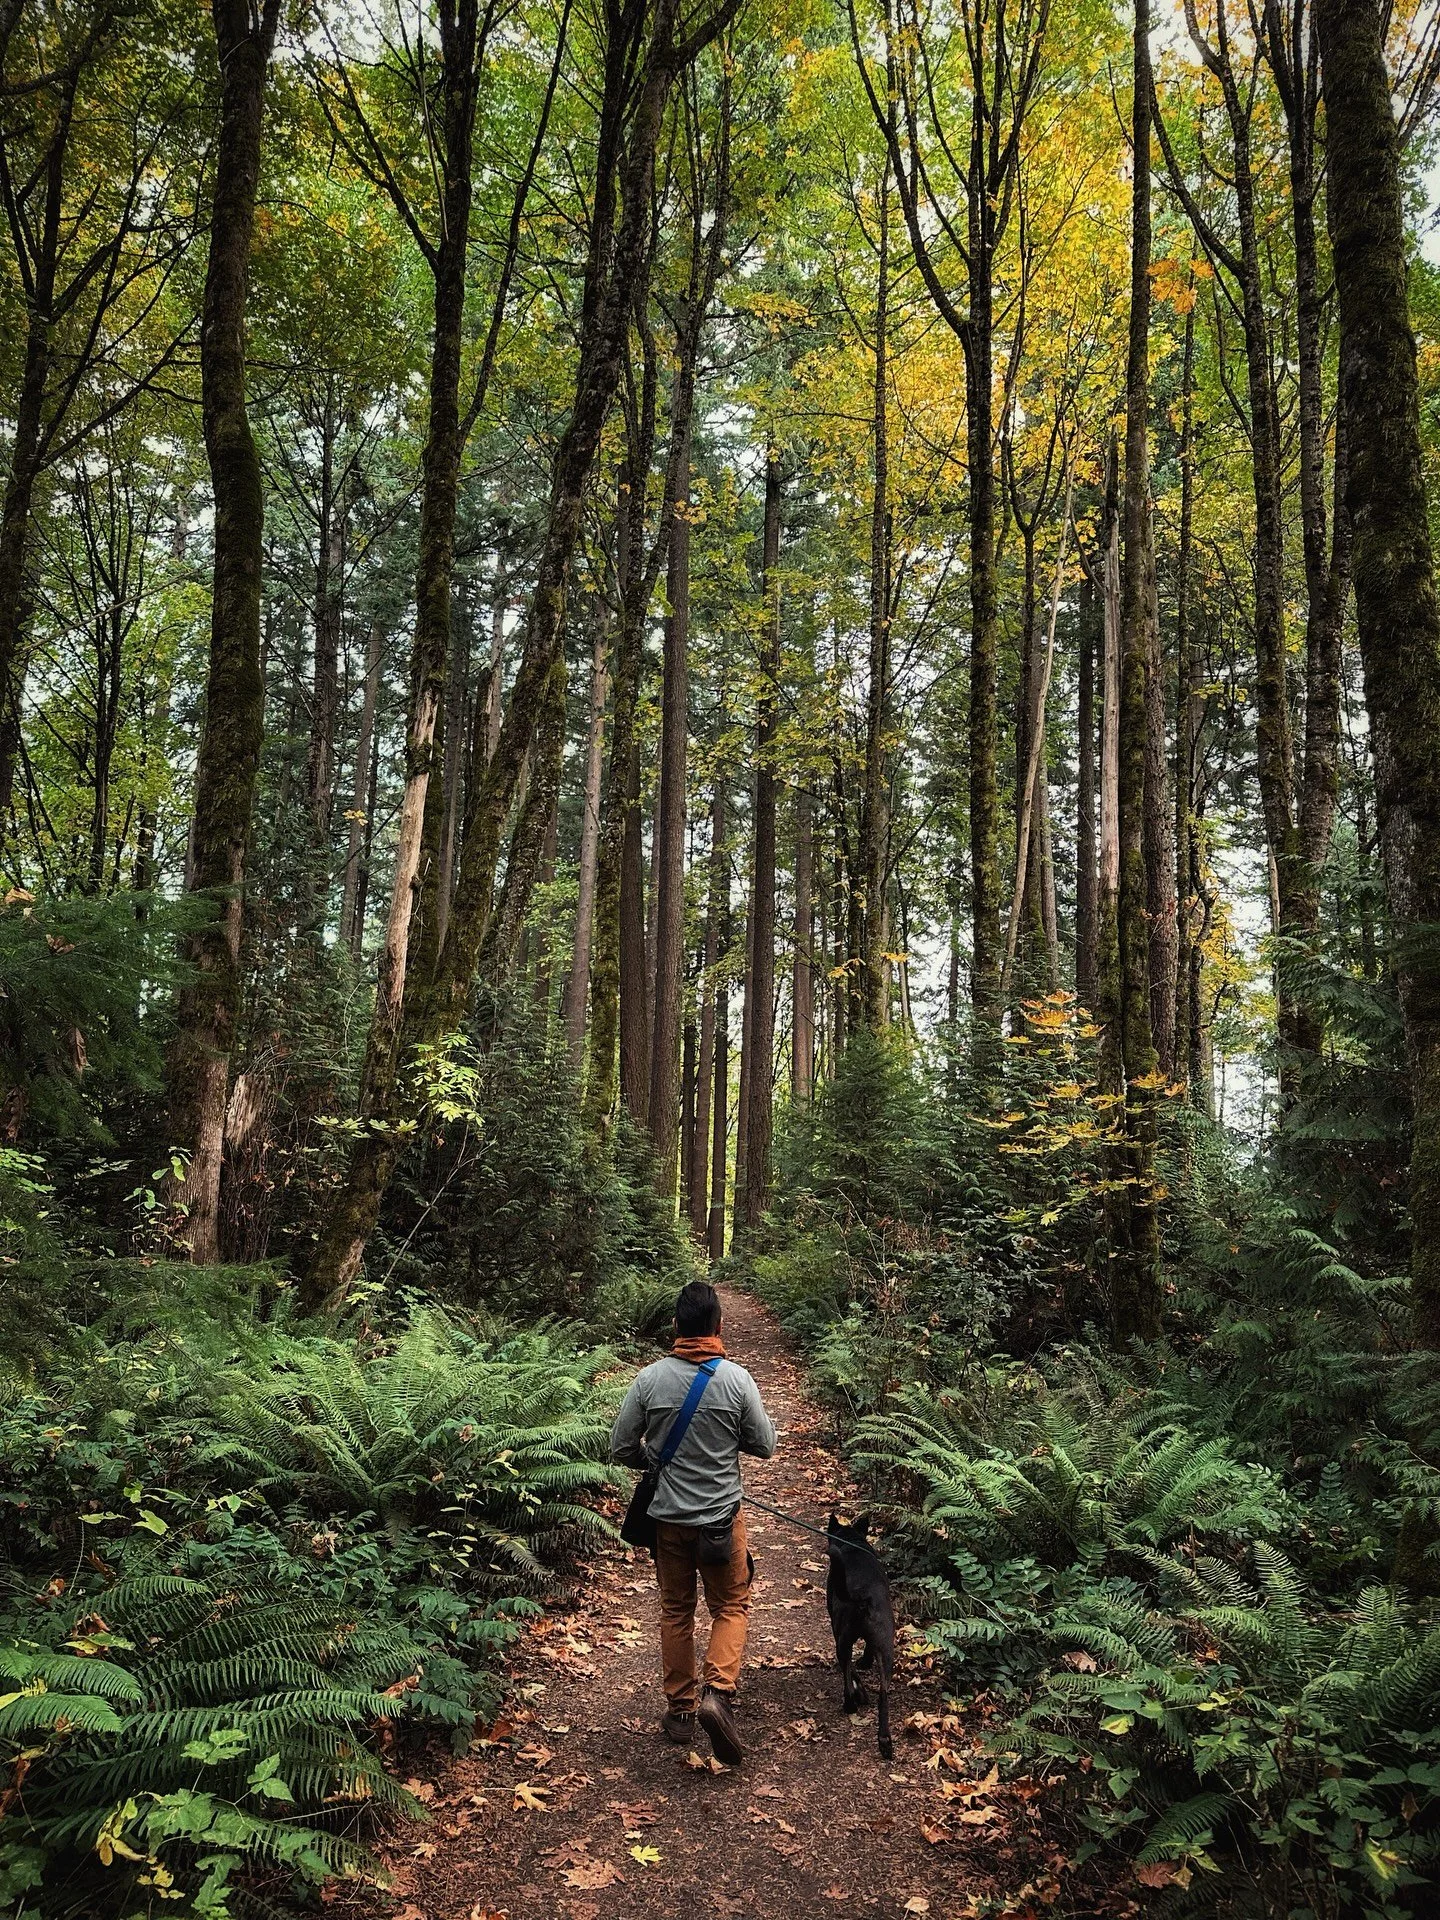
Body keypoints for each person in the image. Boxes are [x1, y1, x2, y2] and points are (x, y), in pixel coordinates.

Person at [610, 1280, 777, 1765]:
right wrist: (722, 1442)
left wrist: (657, 1462)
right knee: (731, 1604)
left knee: (676, 1610)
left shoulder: (648, 1380)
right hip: (722, 1521)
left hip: (668, 1522)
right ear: (719, 1326)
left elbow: (621, 1447)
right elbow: (764, 1444)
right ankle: (717, 1694)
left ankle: (681, 1711)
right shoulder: (737, 1380)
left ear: (676, 1326)